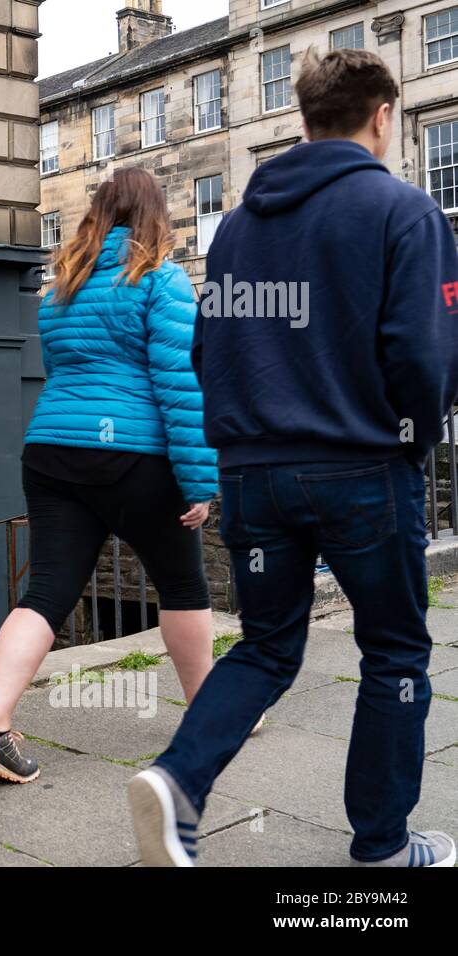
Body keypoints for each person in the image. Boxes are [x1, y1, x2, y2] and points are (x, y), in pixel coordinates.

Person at [129, 48, 458, 868]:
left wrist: (241, 442)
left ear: (304, 119)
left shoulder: (236, 228)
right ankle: (382, 844)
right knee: (394, 651)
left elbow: (209, 350)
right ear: (382, 117)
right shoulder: (401, 211)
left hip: (252, 475)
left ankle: (178, 780)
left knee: (269, 647)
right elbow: (423, 353)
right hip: (361, 469)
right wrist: (414, 438)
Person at [0, 166, 218, 785]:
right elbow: (179, 384)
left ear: (98, 213)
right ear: (157, 214)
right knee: (181, 584)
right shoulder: (162, 280)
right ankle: (210, 714)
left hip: (51, 449)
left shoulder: (60, 289)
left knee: (46, 591)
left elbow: (71, 371)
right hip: (137, 455)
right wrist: (200, 480)